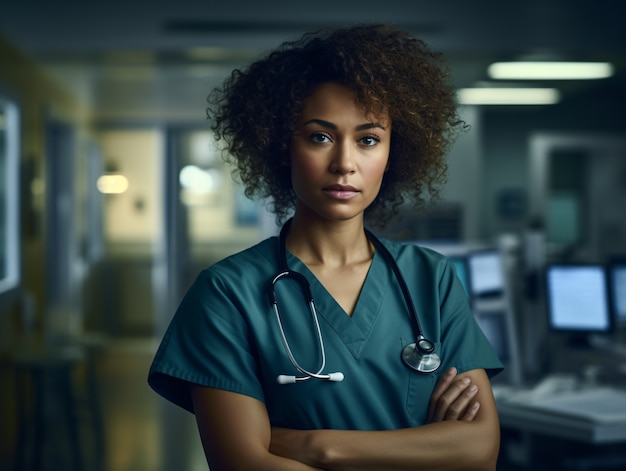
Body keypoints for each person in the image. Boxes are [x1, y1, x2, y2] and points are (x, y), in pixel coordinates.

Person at [148, 23, 503, 471]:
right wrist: (426, 448)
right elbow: (244, 463)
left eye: (368, 139)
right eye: (320, 136)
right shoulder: (226, 293)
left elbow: (479, 451)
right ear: (281, 146)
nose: (345, 164)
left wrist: (320, 447)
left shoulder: (432, 277)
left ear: (394, 152)